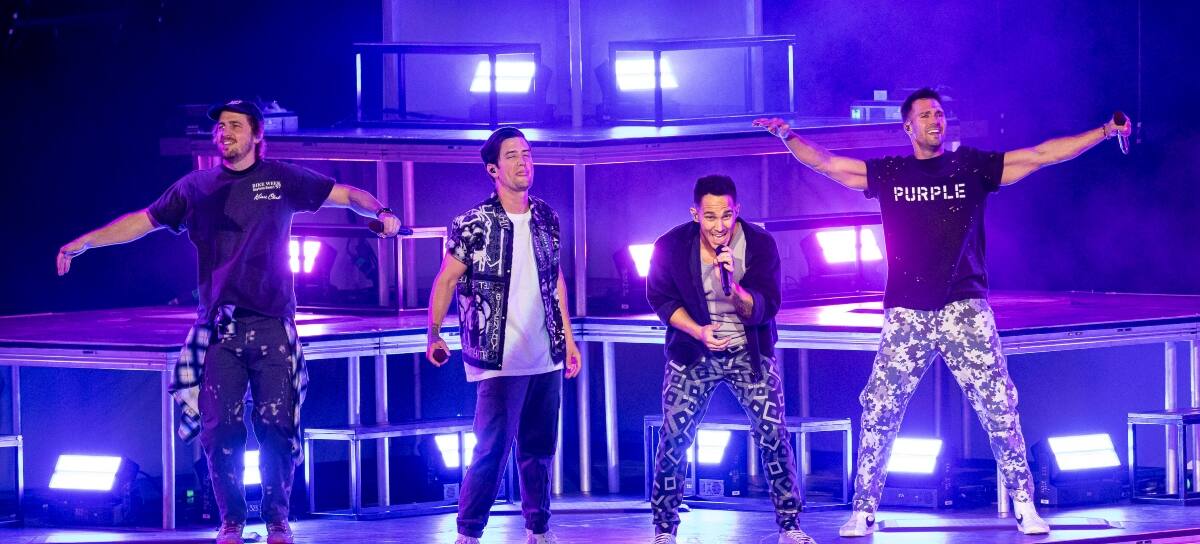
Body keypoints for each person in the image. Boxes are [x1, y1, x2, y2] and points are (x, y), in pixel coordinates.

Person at [754, 87, 1133, 537]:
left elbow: (1040, 155)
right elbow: (829, 164)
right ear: (908, 126)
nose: (935, 120)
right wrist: (789, 137)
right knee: (879, 410)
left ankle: (1024, 503)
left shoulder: (971, 166)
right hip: (907, 312)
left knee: (999, 406)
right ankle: (863, 509)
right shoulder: (891, 173)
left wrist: (1105, 131)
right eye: (925, 115)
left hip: (964, 308)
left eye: (939, 113)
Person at [57, 99, 401, 544]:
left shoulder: (281, 178)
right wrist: (86, 242)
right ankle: (231, 521)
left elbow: (346, 195)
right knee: (219, 429)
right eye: (220, 127)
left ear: (257, 134)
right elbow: (144, 221)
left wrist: (383, 212)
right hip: (221, 330)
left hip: (272, 323)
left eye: (235, 125)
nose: (224, 133)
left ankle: (277, 520)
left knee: (277, 426)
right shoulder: (197, 187)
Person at [426, 126, 582, 544]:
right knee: (491, 450)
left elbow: (555, 279)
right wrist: (434, 333)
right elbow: (446, 279)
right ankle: (469, 532)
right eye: (512, 155)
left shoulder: (547, 216)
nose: (523, 162)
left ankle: (539, 529)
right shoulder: (473, 223)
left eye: (527, 154)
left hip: (545, 353)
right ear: (493, 169)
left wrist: (568, 339)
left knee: (540, 448)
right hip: (498, 357)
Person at [645, 175, 816, 544]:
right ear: (696, 214)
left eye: (726, 216)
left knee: (773, 432)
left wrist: (732, 283)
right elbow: (661, 299)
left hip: (748, 352)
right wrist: (699, 331)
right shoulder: (671, 246)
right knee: (674, 436)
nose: (719, 226)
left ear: (737, 211)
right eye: (710, 217)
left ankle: (790, 525)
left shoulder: (759, 244)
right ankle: (664, 528)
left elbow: (766, 305)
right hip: (693, 352)